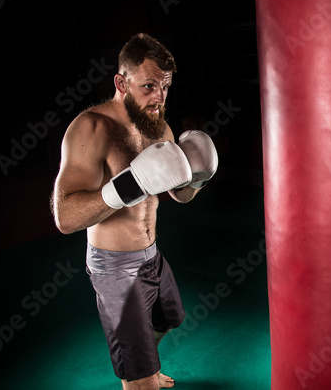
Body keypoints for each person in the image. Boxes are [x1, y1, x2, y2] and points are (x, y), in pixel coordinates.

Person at [51, 33, 218, 390]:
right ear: (121, 82)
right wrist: (124, 187)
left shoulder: (157, 126)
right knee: (141, 382)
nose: (159, 98)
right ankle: (139, 374)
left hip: (151, 256)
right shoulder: (92, 128)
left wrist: (198, 179)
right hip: (113, 267)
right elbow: (64, 216)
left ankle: (142, 362)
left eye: (165, 87)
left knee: (169, 318)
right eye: (148, 86)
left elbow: (179, 195)